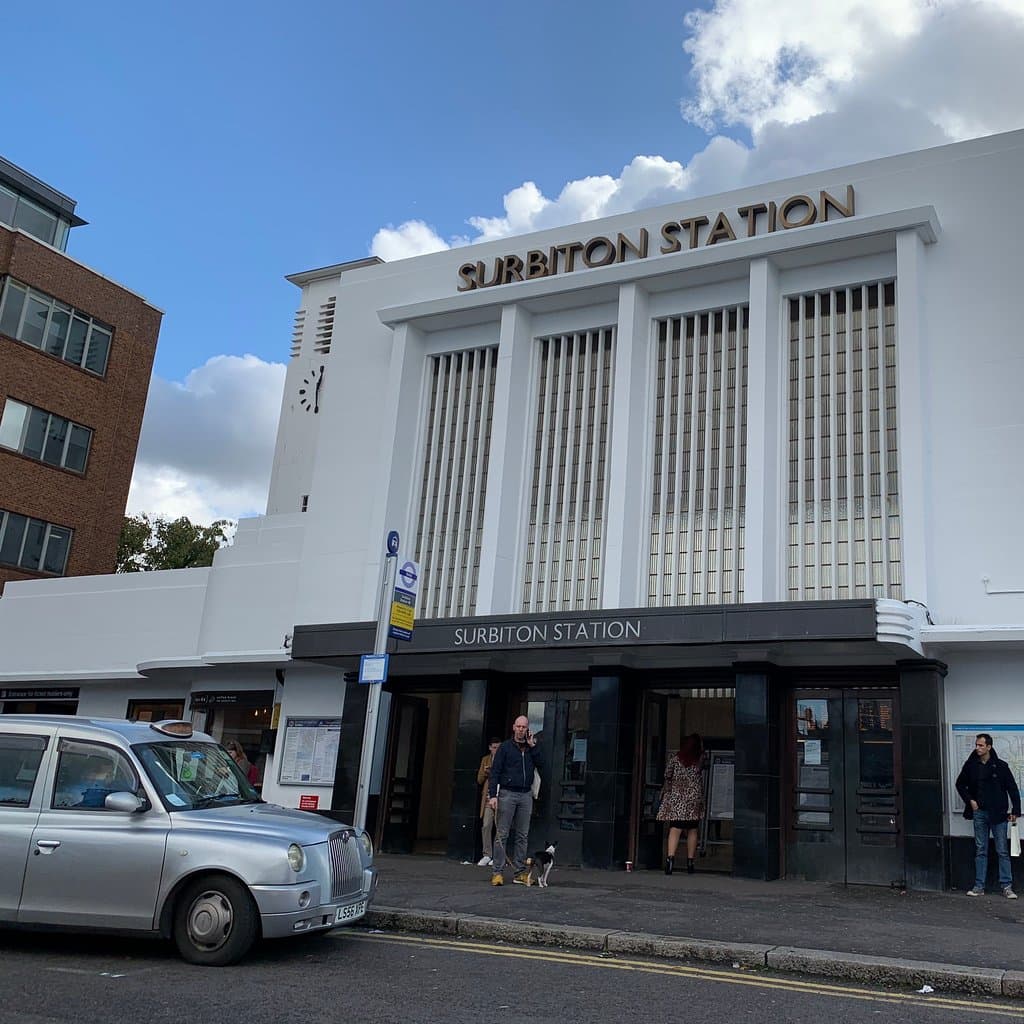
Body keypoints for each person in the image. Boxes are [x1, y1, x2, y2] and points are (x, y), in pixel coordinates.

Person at [955, 733, 1020, 898]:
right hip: (980, 813)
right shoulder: (971, 766)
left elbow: (1012, 788)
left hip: (998, 813)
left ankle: (1007, 886)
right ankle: (979, 886)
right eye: (976, 745)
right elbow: (960, 784)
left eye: (981, 745)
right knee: (980, 849)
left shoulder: (1000, 766)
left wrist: (1015, 811)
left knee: (1002, 850)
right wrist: (970, 801)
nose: (977, 748)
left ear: (989, 747)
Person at [488, 715, 542, 886]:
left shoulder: (531, 748)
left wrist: (533, 747)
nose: (521, 729)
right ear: (513, 727)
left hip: (525, 794)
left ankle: (519, 873)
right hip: (507, 793)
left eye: (524, 727)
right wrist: (493, 795)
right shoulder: (504, 748)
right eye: (518, 726)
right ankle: (497, 872)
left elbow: (542, 764)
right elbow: (495, 772)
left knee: (522, 835)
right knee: (501, 834)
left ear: (528, 729)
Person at [657, 732, 705, 876]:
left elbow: (667, 775)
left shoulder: (675, 758)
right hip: (693, 797)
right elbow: (700, 771)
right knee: (692, 829)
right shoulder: (700, 758)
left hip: (677, 797)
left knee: (675, 827)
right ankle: (690, 863)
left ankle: (670, 861)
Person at [476, 737, 501, 866]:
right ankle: (487, 854)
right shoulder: (485, 760)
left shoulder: (504, 758)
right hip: (488, 797)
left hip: (501, 796)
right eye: (495, 747)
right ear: (490, 748)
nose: (497, 750)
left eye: (499, 747)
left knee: (500, 827)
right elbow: (479, 780)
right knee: (486, 825)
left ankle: (497, 856)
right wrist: (486, 773)